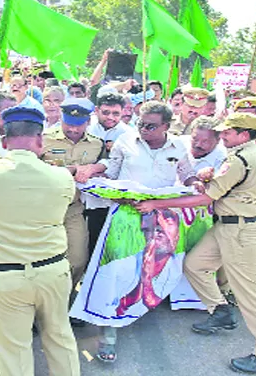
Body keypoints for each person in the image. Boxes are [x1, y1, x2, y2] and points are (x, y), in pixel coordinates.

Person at [134, 112, 256, 374]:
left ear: (244, 135)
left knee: (251, 294)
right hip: (231, 225)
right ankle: (220, 311)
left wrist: (156, 204)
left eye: (228, 132)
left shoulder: (239, 159)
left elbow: (205, 199)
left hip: (240, 230)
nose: (222, 136)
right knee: (195, 264)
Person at [0, 103, 81, 376]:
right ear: (40, 139)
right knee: (60, 340)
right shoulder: (61, 177)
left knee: (14, 351)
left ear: (3, 141)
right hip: (52, 273)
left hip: (1, 279)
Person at [76, 101, 199, 362]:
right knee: (116, 273)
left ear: (166, 126)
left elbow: (187, 175)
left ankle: (134, 310)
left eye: (151, 126)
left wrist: (196, 182)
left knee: (155, 271)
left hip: (163, 219)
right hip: (125, 218)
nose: (143, 129)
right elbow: (111, 170)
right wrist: (98, 175)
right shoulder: (125, 141)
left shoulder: (178, 146)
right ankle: (107, 337)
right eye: (141, 123)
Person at [41, 98, 104, 317]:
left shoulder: (97, 143)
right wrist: (75, 169)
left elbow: (109, 166)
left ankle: (63, 304)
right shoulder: (44, 139)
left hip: (73, 208)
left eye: (78, 124)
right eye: (68, 123)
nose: (73, 129)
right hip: (44, 209)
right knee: (43, 262)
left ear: (88, 121)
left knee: (77, 260)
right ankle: (43, 308)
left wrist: (96, 167)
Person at [85, 92, 131, 253]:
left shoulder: (128, 135)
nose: (110, 117)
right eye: (105, 112)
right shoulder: (86, 128)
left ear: (123, 112)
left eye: (116, 113)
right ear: (97, 110)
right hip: (84, 194)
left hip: (110, 198)